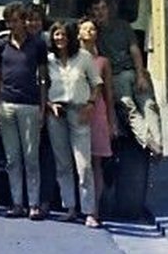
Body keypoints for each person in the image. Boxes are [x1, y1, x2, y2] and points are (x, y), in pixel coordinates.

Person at [86, 0, 163, 158]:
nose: (100, 12)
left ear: (109, 9)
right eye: (96, 9)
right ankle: (148, 142)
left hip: (133, 71)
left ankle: (159, 143)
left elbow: (134, 50)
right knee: (128, 106)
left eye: (103, 8)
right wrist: (94, 29)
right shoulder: (93, 31)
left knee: (149, 104)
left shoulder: (123, 26)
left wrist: (141, 74)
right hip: (115, 75)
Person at [0, 1, 49, 220]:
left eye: (16, 20)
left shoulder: (38, 45)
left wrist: (43, 107)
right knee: (12, 158)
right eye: (9, 21)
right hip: (6, 104)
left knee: (30, 157)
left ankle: (33, 204)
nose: (13, 24)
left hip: (31, 105)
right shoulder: (0, 45)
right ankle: (17, 203)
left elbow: (43, 78)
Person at [45, 21, 103, 228]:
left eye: (63, 35)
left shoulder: (84, 58)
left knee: (84, 164)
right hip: (56, 112)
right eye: (56, 35)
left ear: (70, 37)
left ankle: (89, 211)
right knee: (63, 164)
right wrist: (49, 104)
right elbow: (42, 85)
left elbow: (97, 83)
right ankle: (69, 207)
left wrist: (90, 104)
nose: (59, 38)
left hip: (79, 111)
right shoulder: (49, 59)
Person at [78, 17, 117, 221]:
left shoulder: (103, 62)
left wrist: (111, 121)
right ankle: (78, 205)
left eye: (93, 29)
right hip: (77, 111)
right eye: (85, 29)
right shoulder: (72, 59)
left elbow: (108, 93)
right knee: (80, 163)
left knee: (95, 163)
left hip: (97, 113)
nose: (89, 32)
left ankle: (94, 209)